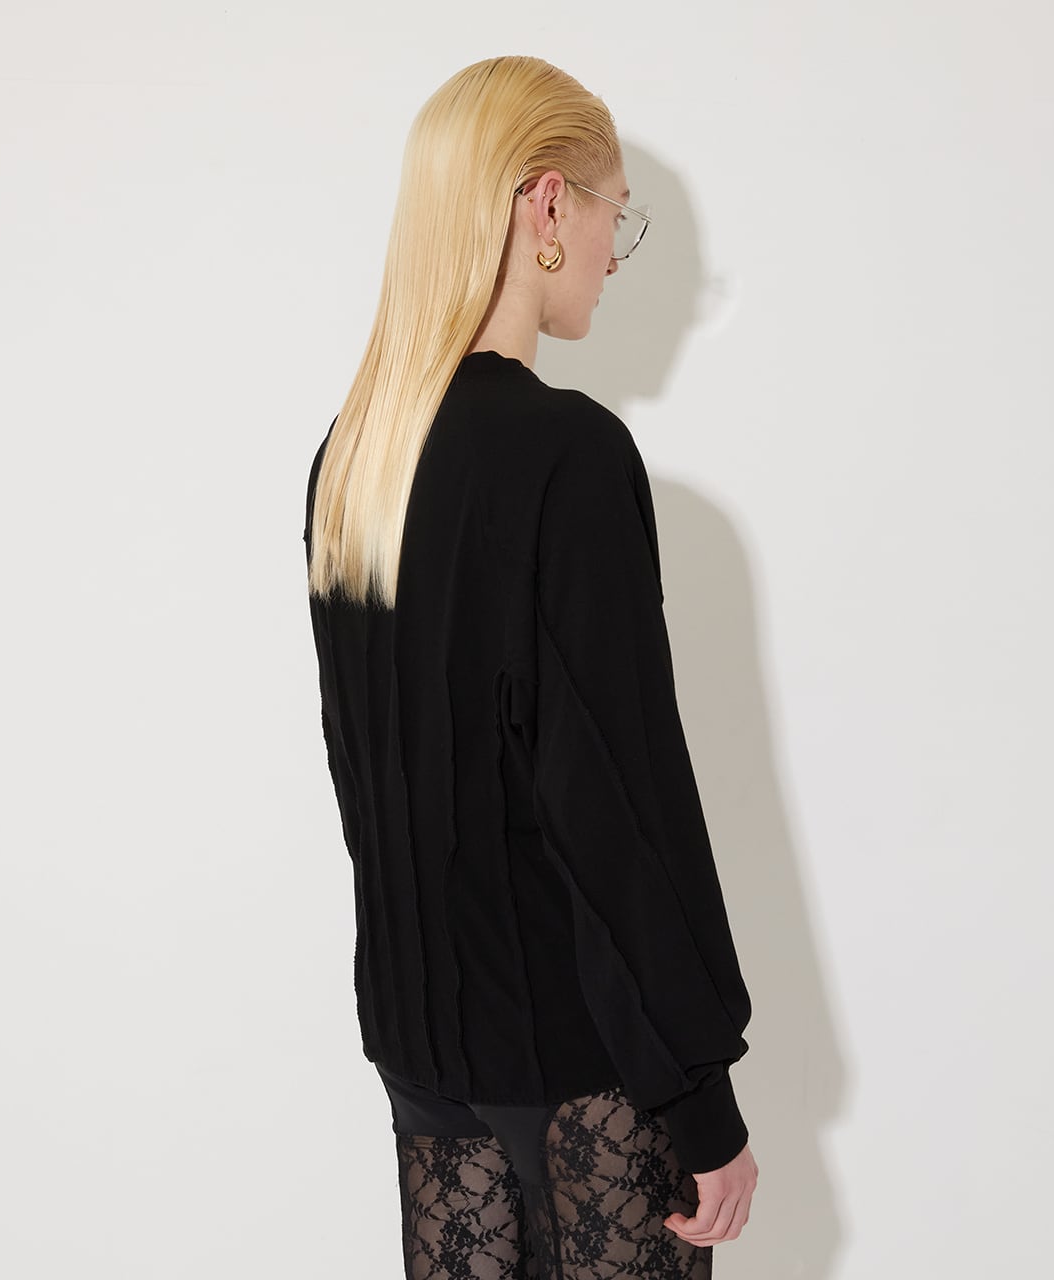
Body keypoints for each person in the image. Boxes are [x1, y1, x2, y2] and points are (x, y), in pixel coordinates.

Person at [302, 55, 759, 1278]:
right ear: (546, 201)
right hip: (577, 1060)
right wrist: (700, 1092)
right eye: (618, 214)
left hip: (421, 1048)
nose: (616, 254)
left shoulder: (353, 460)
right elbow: (617, 806)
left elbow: (365, 780)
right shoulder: (567, 456)